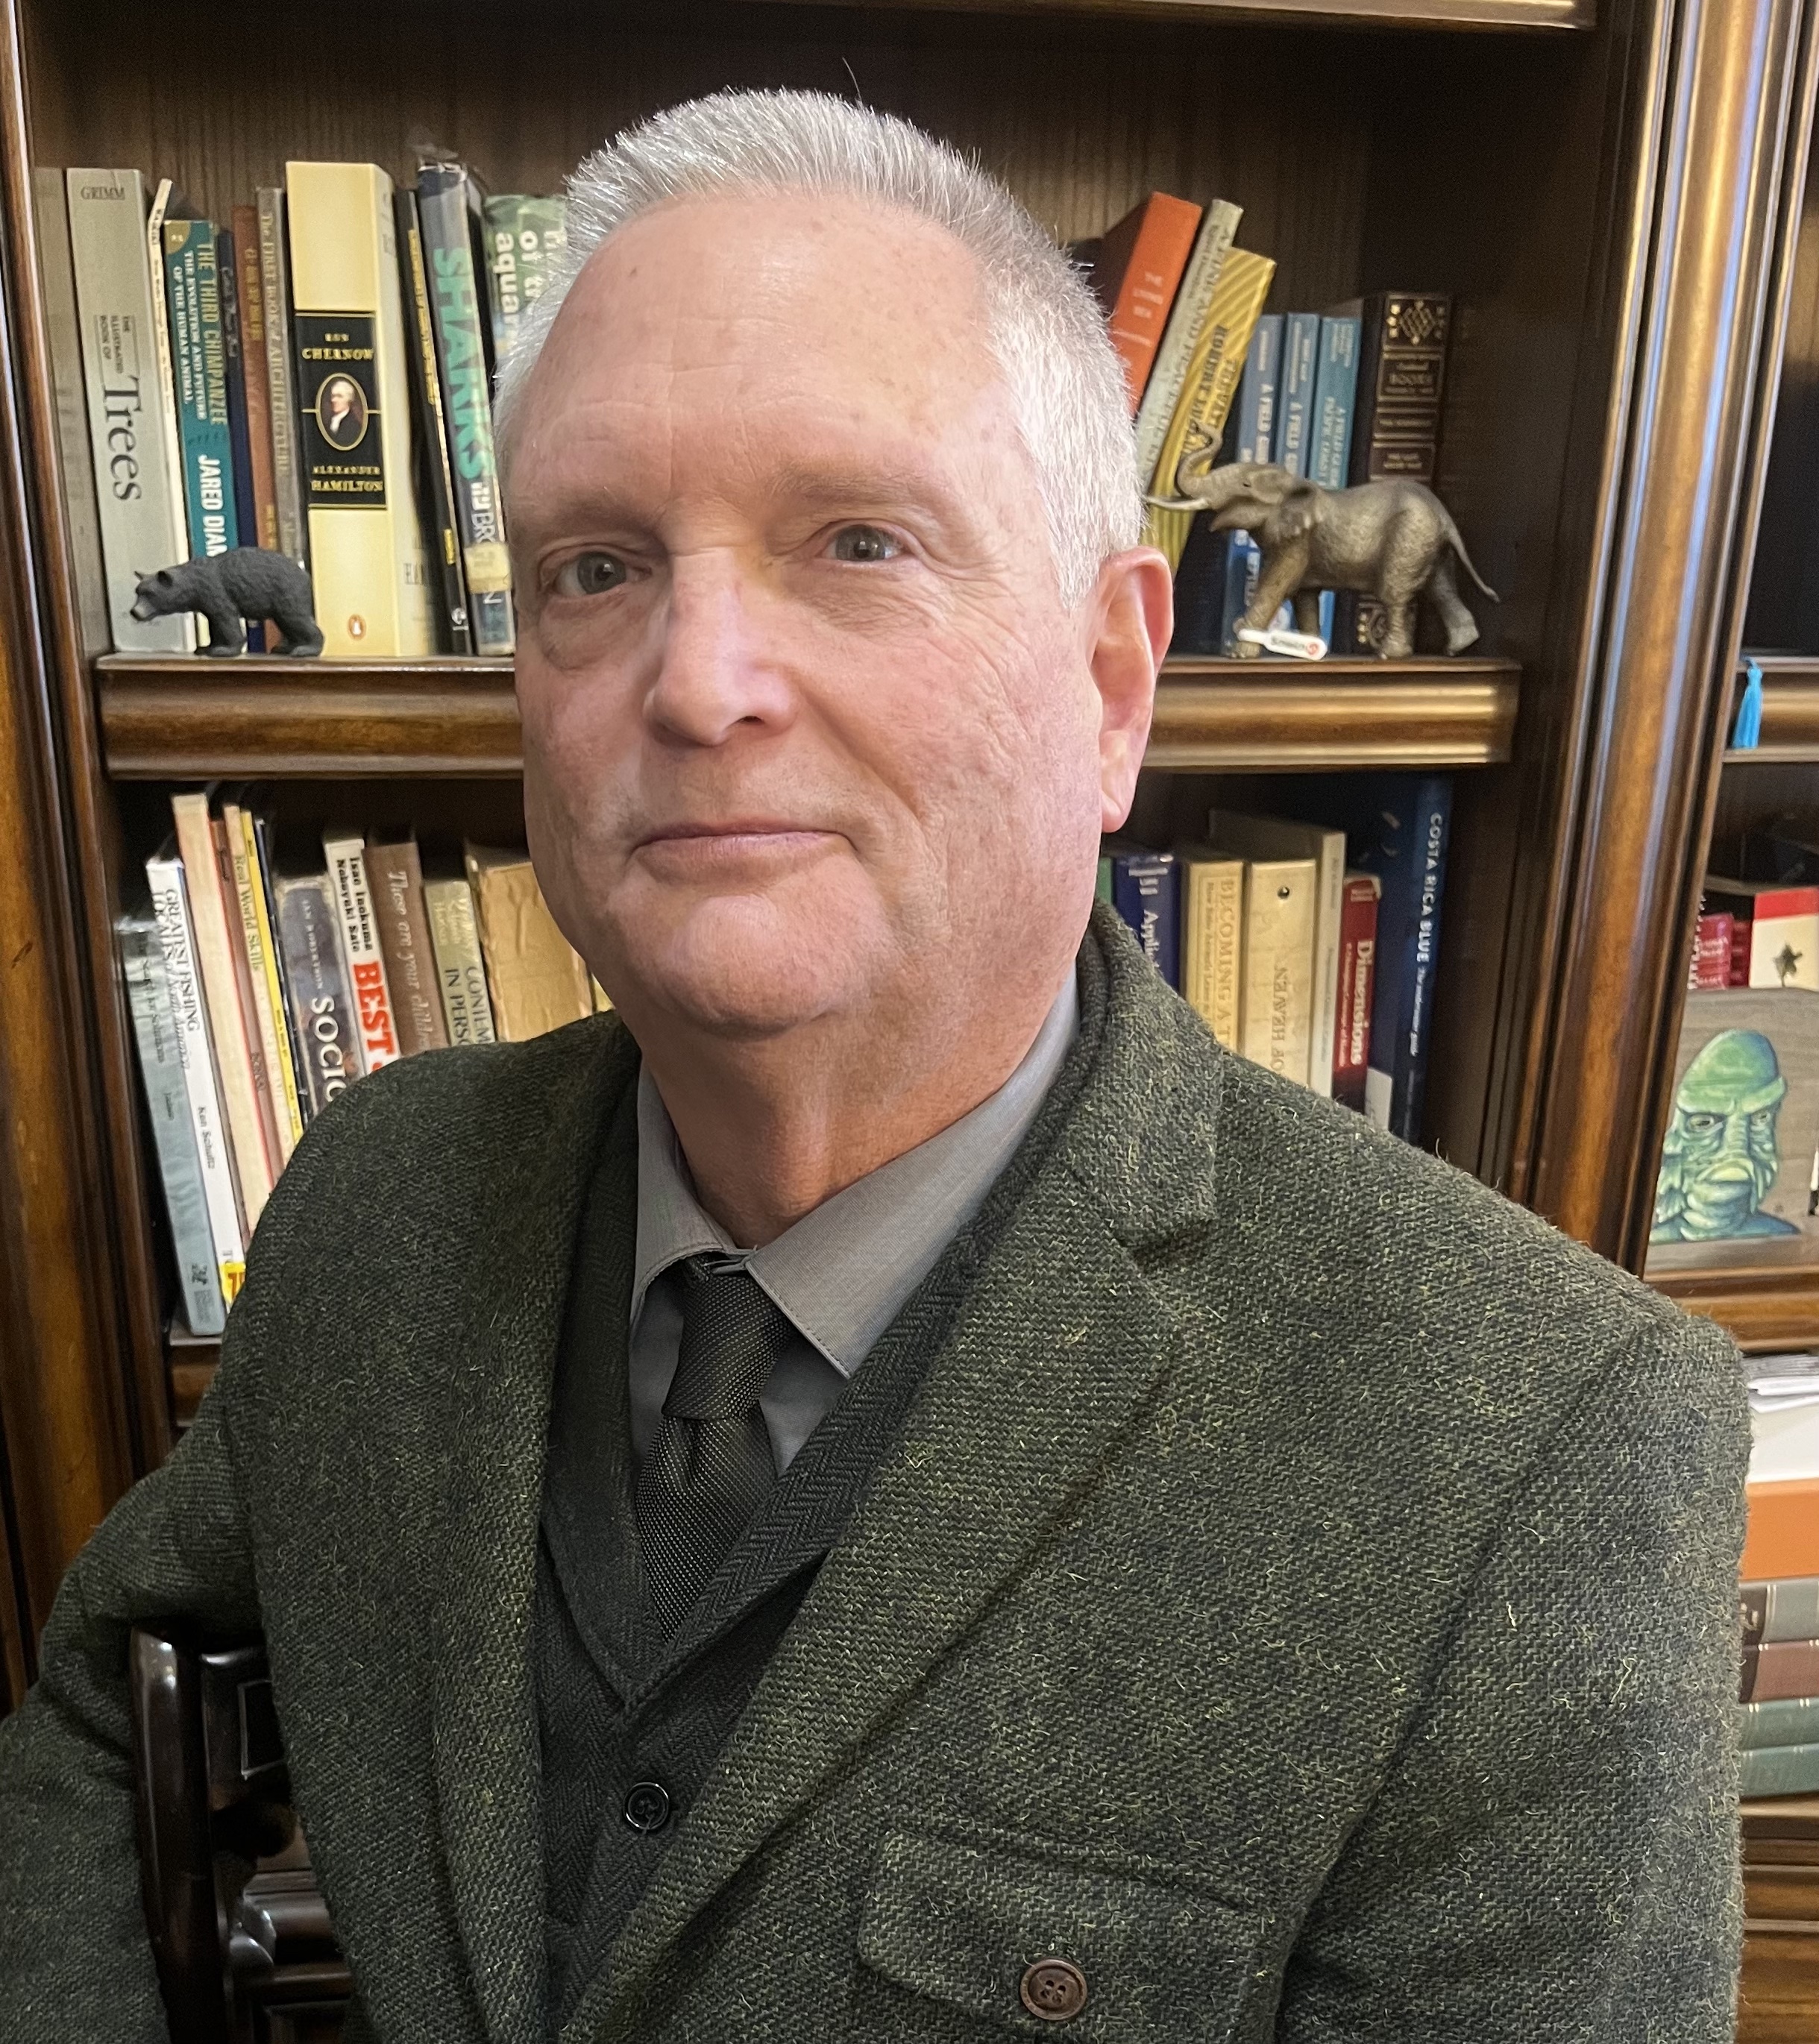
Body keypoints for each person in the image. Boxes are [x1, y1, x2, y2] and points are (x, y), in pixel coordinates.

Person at [0, 89, 1747, 2043]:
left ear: (1109, 686)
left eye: (856, 539)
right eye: (597, 565)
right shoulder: (377, 1202)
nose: (695, 675)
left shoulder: (1536, 1461)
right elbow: (107, 1693)